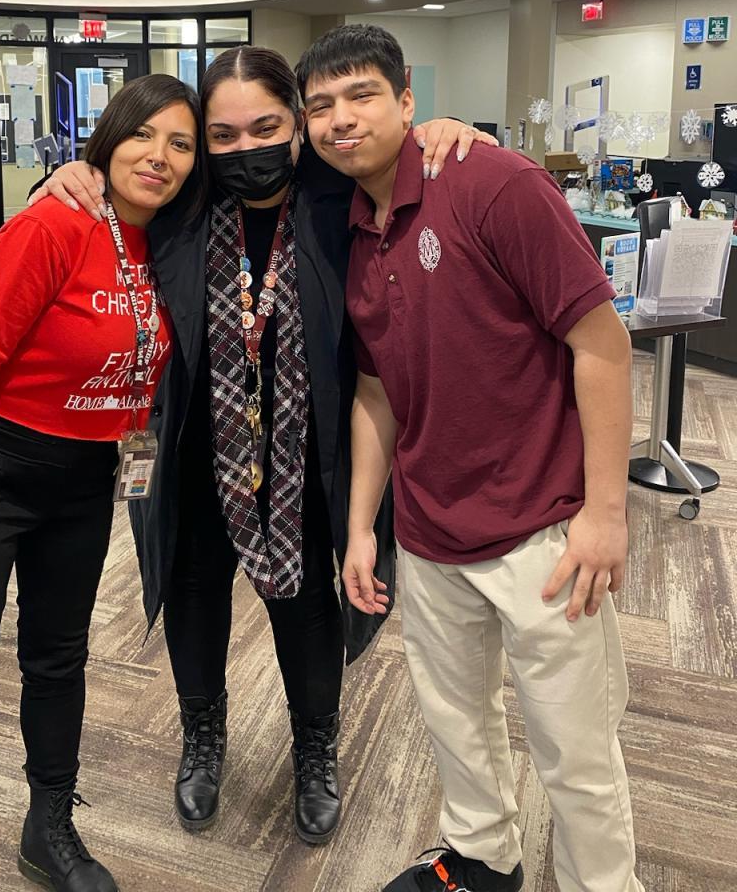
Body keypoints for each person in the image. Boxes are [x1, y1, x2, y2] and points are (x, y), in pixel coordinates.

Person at [30, 46, 496, 847]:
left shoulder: (335, 198)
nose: (244, 148)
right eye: (222, 135)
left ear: (298, 125)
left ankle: (315, 748)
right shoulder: (183, 206)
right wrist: (72, 173)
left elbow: (401, 163)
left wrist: (448, 131)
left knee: (306, 601)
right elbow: (121, 190)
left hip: (306, 454)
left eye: (266, 127)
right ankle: (202, 735)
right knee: (192, 591)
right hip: (186, 446)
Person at [296, 24, 643, 892]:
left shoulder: (494, 183)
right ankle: (483, 859)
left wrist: (605, 515)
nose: (341, 120)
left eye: (362, 95)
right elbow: (375, 391)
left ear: (407, 101)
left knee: (576, 756)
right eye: (320, 106)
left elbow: (602, 346)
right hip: (428, 530)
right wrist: (362, 529)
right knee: (456, 726)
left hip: (543, 532)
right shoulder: (351, 228)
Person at [0, 75, 204, 892]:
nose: (159, 157)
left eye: (181, 144)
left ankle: (47, 831)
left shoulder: (169, 242)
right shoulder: (51, 226)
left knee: (59, 663)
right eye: (143, 135)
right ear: (108, 139)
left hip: (84, 485)